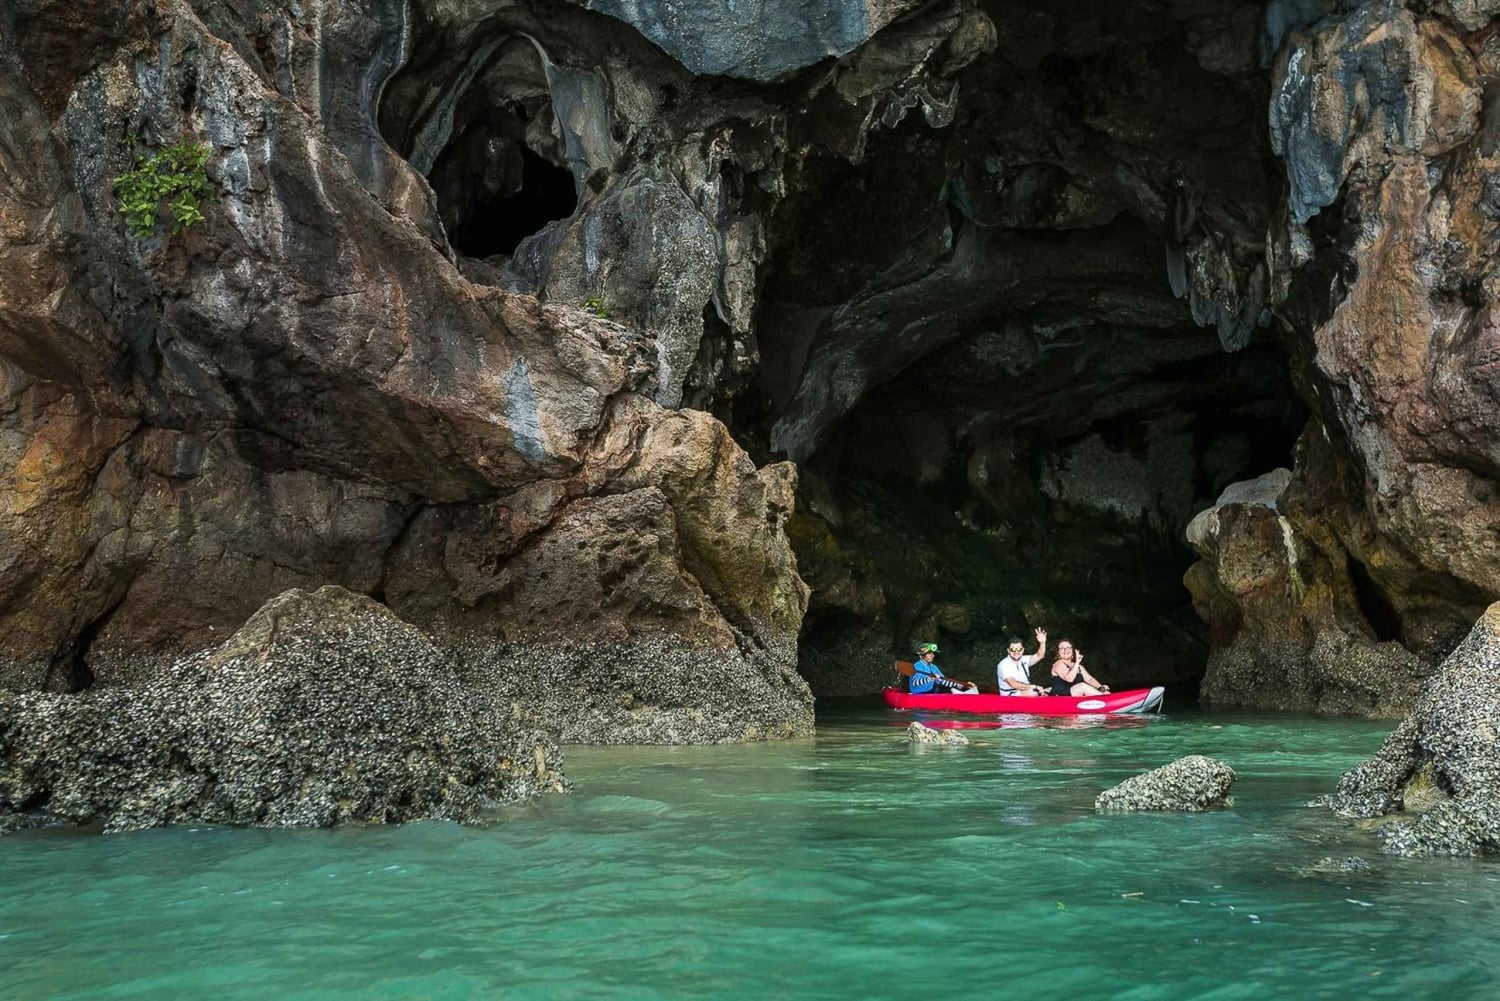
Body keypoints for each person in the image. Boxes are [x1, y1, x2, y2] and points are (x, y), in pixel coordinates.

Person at [908, 643, 978, 695]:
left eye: (932, 653)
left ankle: (965, 692)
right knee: (938, 688)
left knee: (941, 687)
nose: (932, 655)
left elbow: (943, 681)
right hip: (918, 694)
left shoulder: (933, 667)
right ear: (921, 656)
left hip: (929, 693)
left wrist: (961, 685)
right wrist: (929, 678)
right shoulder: (917, 666)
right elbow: (915, 683)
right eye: (929, 653)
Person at [996, 627, 1048, 696]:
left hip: (1026, 690)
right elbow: (1014, 684)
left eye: (1019, 649)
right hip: (1010, 695)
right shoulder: (1003, 665)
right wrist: (1034, 687)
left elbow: (1040, 655)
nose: (1016, 652)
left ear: (1023, 650)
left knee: (1047, 691)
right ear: (1008, 650)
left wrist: (1042, 642)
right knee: (1034, 693)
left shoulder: (1024, 659)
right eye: (1013, 649)